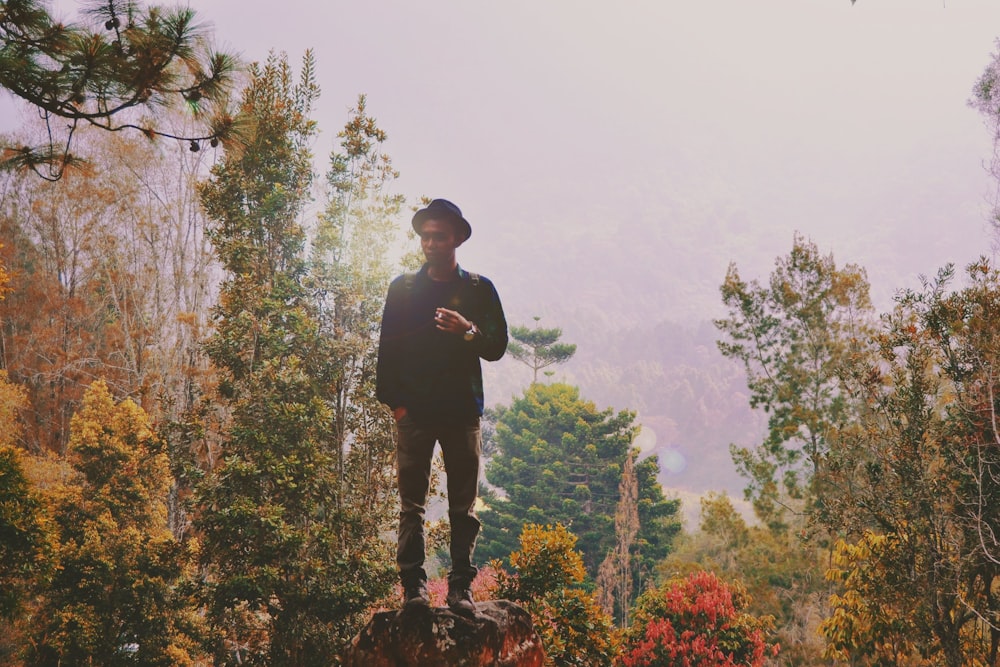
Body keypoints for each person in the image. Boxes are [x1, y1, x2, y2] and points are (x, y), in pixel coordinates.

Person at [376, 198, 508, 616]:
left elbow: (498, 346)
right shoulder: (404, 289)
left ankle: (460, 591)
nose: (431, 243)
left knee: (462, 508)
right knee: (411, 506)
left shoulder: (478, 290)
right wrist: (398, 406)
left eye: (439, 236)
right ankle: (413, 588)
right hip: (414, 415)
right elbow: (387, 353)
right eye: (425, 236)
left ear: (457, 239)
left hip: (461, 414)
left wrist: (467, 329)